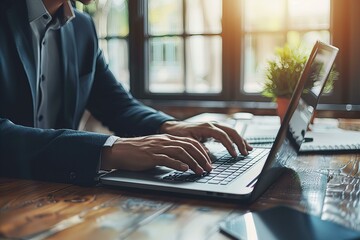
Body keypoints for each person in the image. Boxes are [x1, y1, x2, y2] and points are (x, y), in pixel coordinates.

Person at [0, 0, 252, 186]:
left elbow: (116, 104)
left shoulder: (82, 27)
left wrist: (169, 126)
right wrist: (108, 150)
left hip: (54, 193)